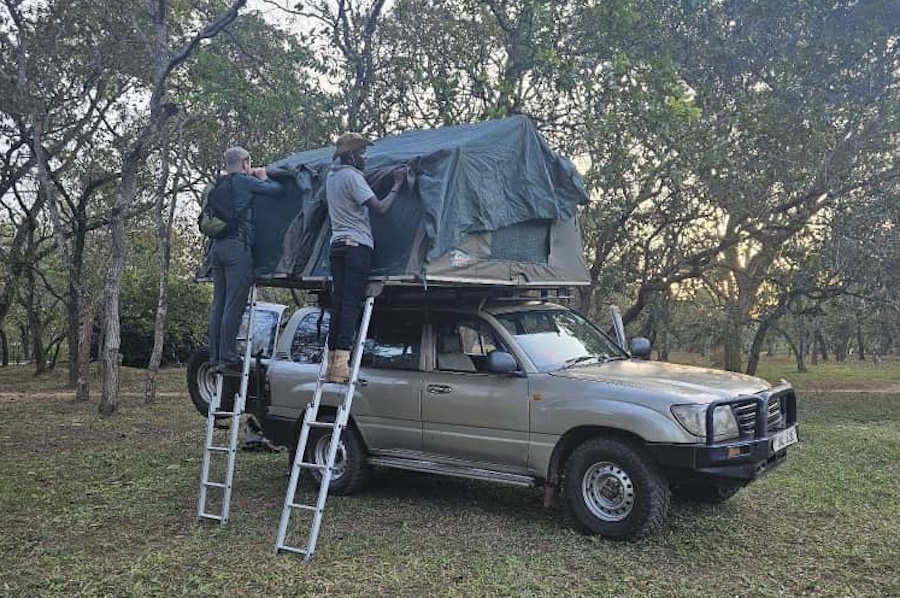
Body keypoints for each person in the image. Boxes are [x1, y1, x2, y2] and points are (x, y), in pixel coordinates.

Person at [325, 132, 407, 382]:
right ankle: (341, 368)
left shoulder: (332, 176)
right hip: (356, 246)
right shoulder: (352, 176)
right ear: (351, 155)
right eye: (362, 152)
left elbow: (359, 193)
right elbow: (379, 208)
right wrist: (397, 184)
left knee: (338, 303)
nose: (366, 157)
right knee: (350, 304)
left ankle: (332, 363)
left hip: (337, 245)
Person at [208, 146, 284, 375]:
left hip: (217, 248)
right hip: (236, 248)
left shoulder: (218, 184)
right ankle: (228, 358)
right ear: (245, 164)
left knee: (218, 304)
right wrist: (263, 176)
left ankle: (215, 357)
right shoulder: (244, 181)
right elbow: (277, 191)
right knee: (234, 304)